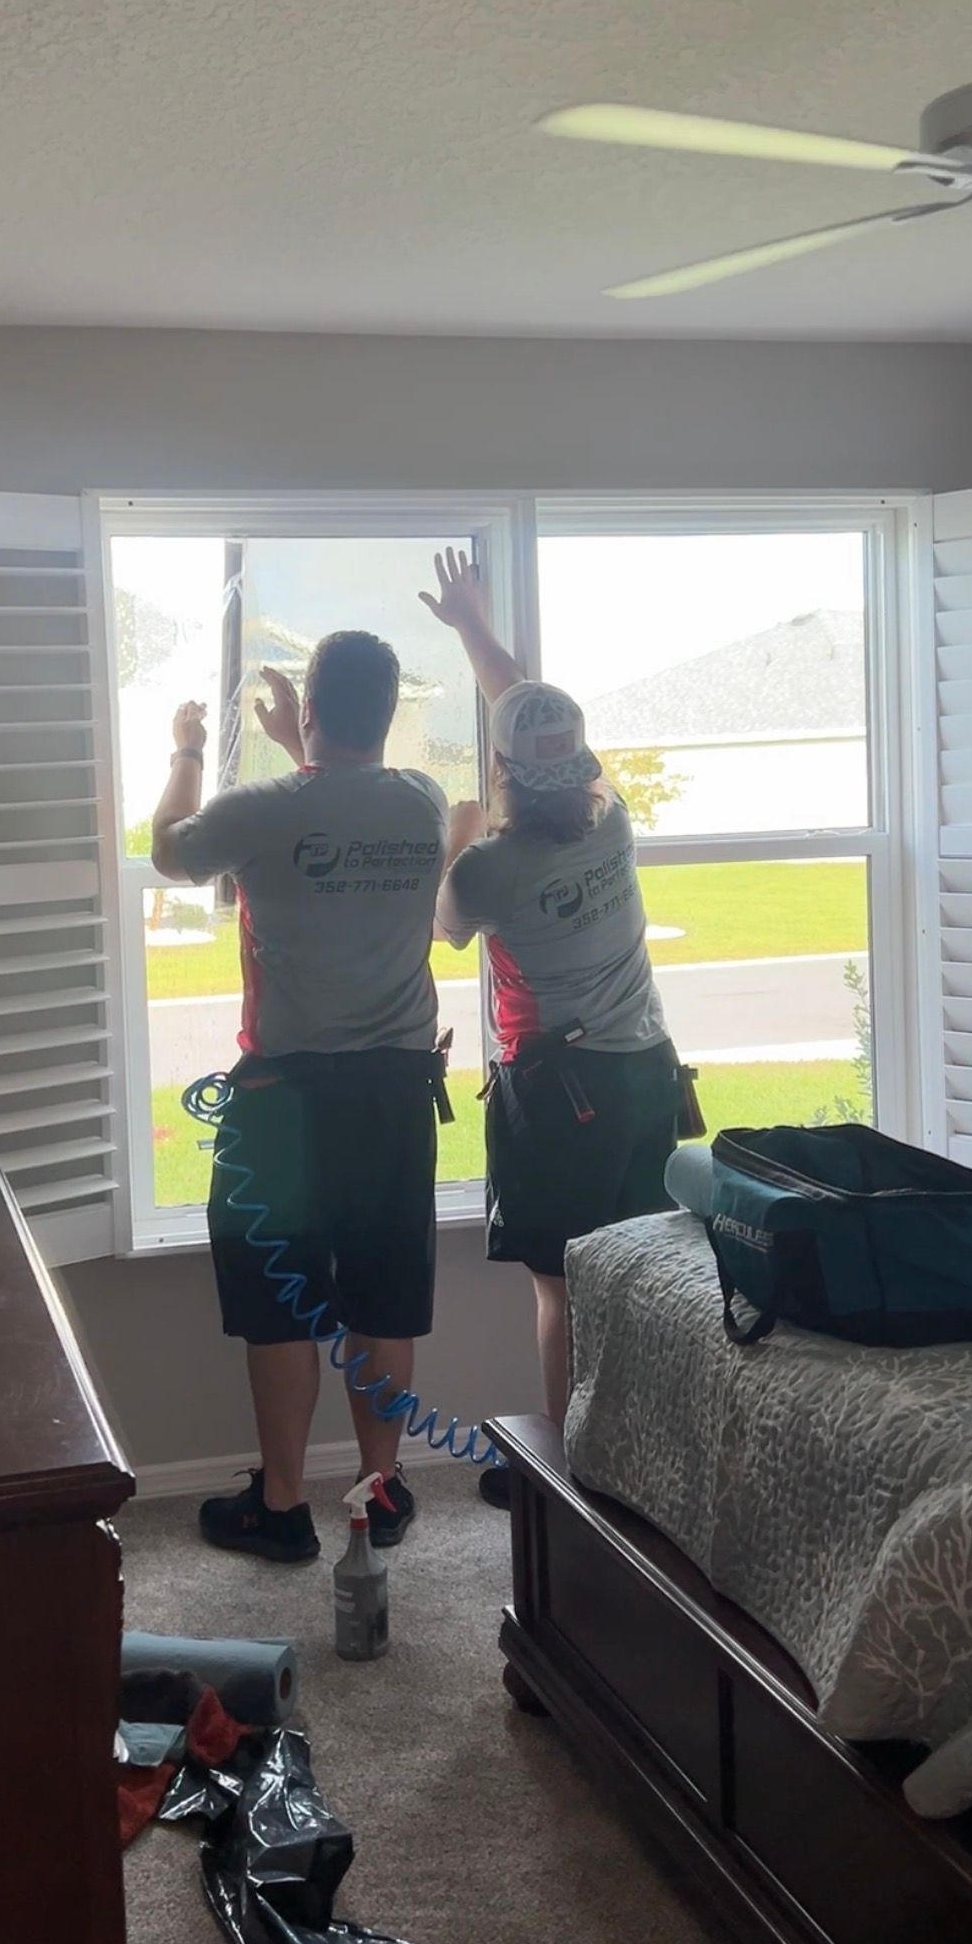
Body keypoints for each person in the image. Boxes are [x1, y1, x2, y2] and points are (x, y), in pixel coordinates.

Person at [151, 631, 448, 1562]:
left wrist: (190, 749)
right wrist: (304, 742)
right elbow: (340, 803)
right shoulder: (422, 801)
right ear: (390, 714)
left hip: (284, 1098)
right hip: (395, 1095)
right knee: (382, 1297)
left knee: (280, 1306)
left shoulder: (258, 810)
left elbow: (169, 852)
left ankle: (281, 1508)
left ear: (310, 709)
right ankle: (380, 1489)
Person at [423, 550, 678, 1510]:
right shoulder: (611, 820)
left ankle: (573, 1472)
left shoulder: (492, 867)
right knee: (637, 1274)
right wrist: (475, 629)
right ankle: (638, 1456)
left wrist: (453, 837)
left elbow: (444, 932)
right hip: (648, 1072)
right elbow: (524, 702)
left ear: (501, 774)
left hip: (561, 1093)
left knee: (562, 1287)